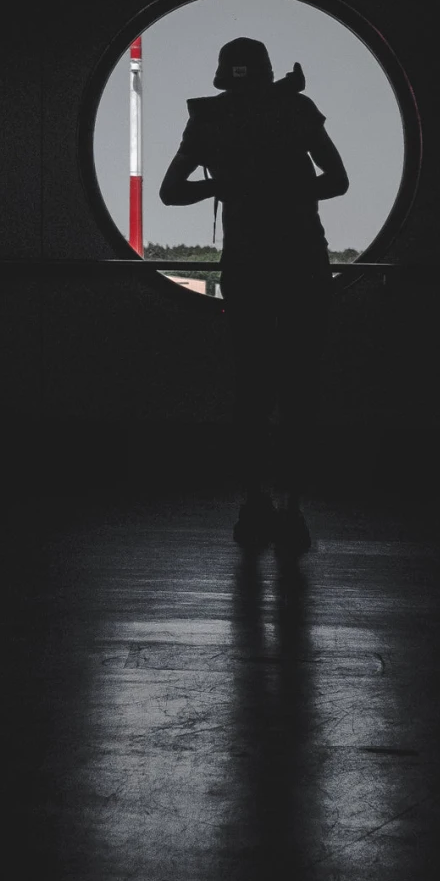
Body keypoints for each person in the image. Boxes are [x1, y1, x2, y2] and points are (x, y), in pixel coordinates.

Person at [159, 36, 349, 552]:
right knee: (299, 386)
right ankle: (292, 508)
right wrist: (284, 189)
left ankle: (253, 502)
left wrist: (227, 186)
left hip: (246, 265)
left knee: (252, 386)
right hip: (303, 262)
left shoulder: (208, 121)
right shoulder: (297, 110)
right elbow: (338, 181)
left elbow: (170, 191)